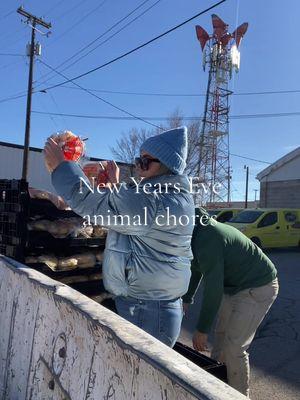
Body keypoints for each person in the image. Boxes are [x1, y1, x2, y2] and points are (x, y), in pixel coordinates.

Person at [44, 127, 194, 347]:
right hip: (151, 305)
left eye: (145, 161)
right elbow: (129, 220)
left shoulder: (153, 200)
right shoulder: (168, 196)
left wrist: (63, 166)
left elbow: (89, 202)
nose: (139, 166)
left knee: (135, 377)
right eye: (138, 160)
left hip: (147, 311)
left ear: (166, 165)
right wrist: (114, 188)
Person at [183, 208, 279, 397]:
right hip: (234, 286)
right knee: (221, 336)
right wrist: (187, 299)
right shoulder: (194, 233)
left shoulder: (207, 238)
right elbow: (196, 268)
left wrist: (202, 330)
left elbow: (213, 288)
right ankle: (218, 386)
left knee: (234, 347)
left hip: (258, 286)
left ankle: (239, 394)